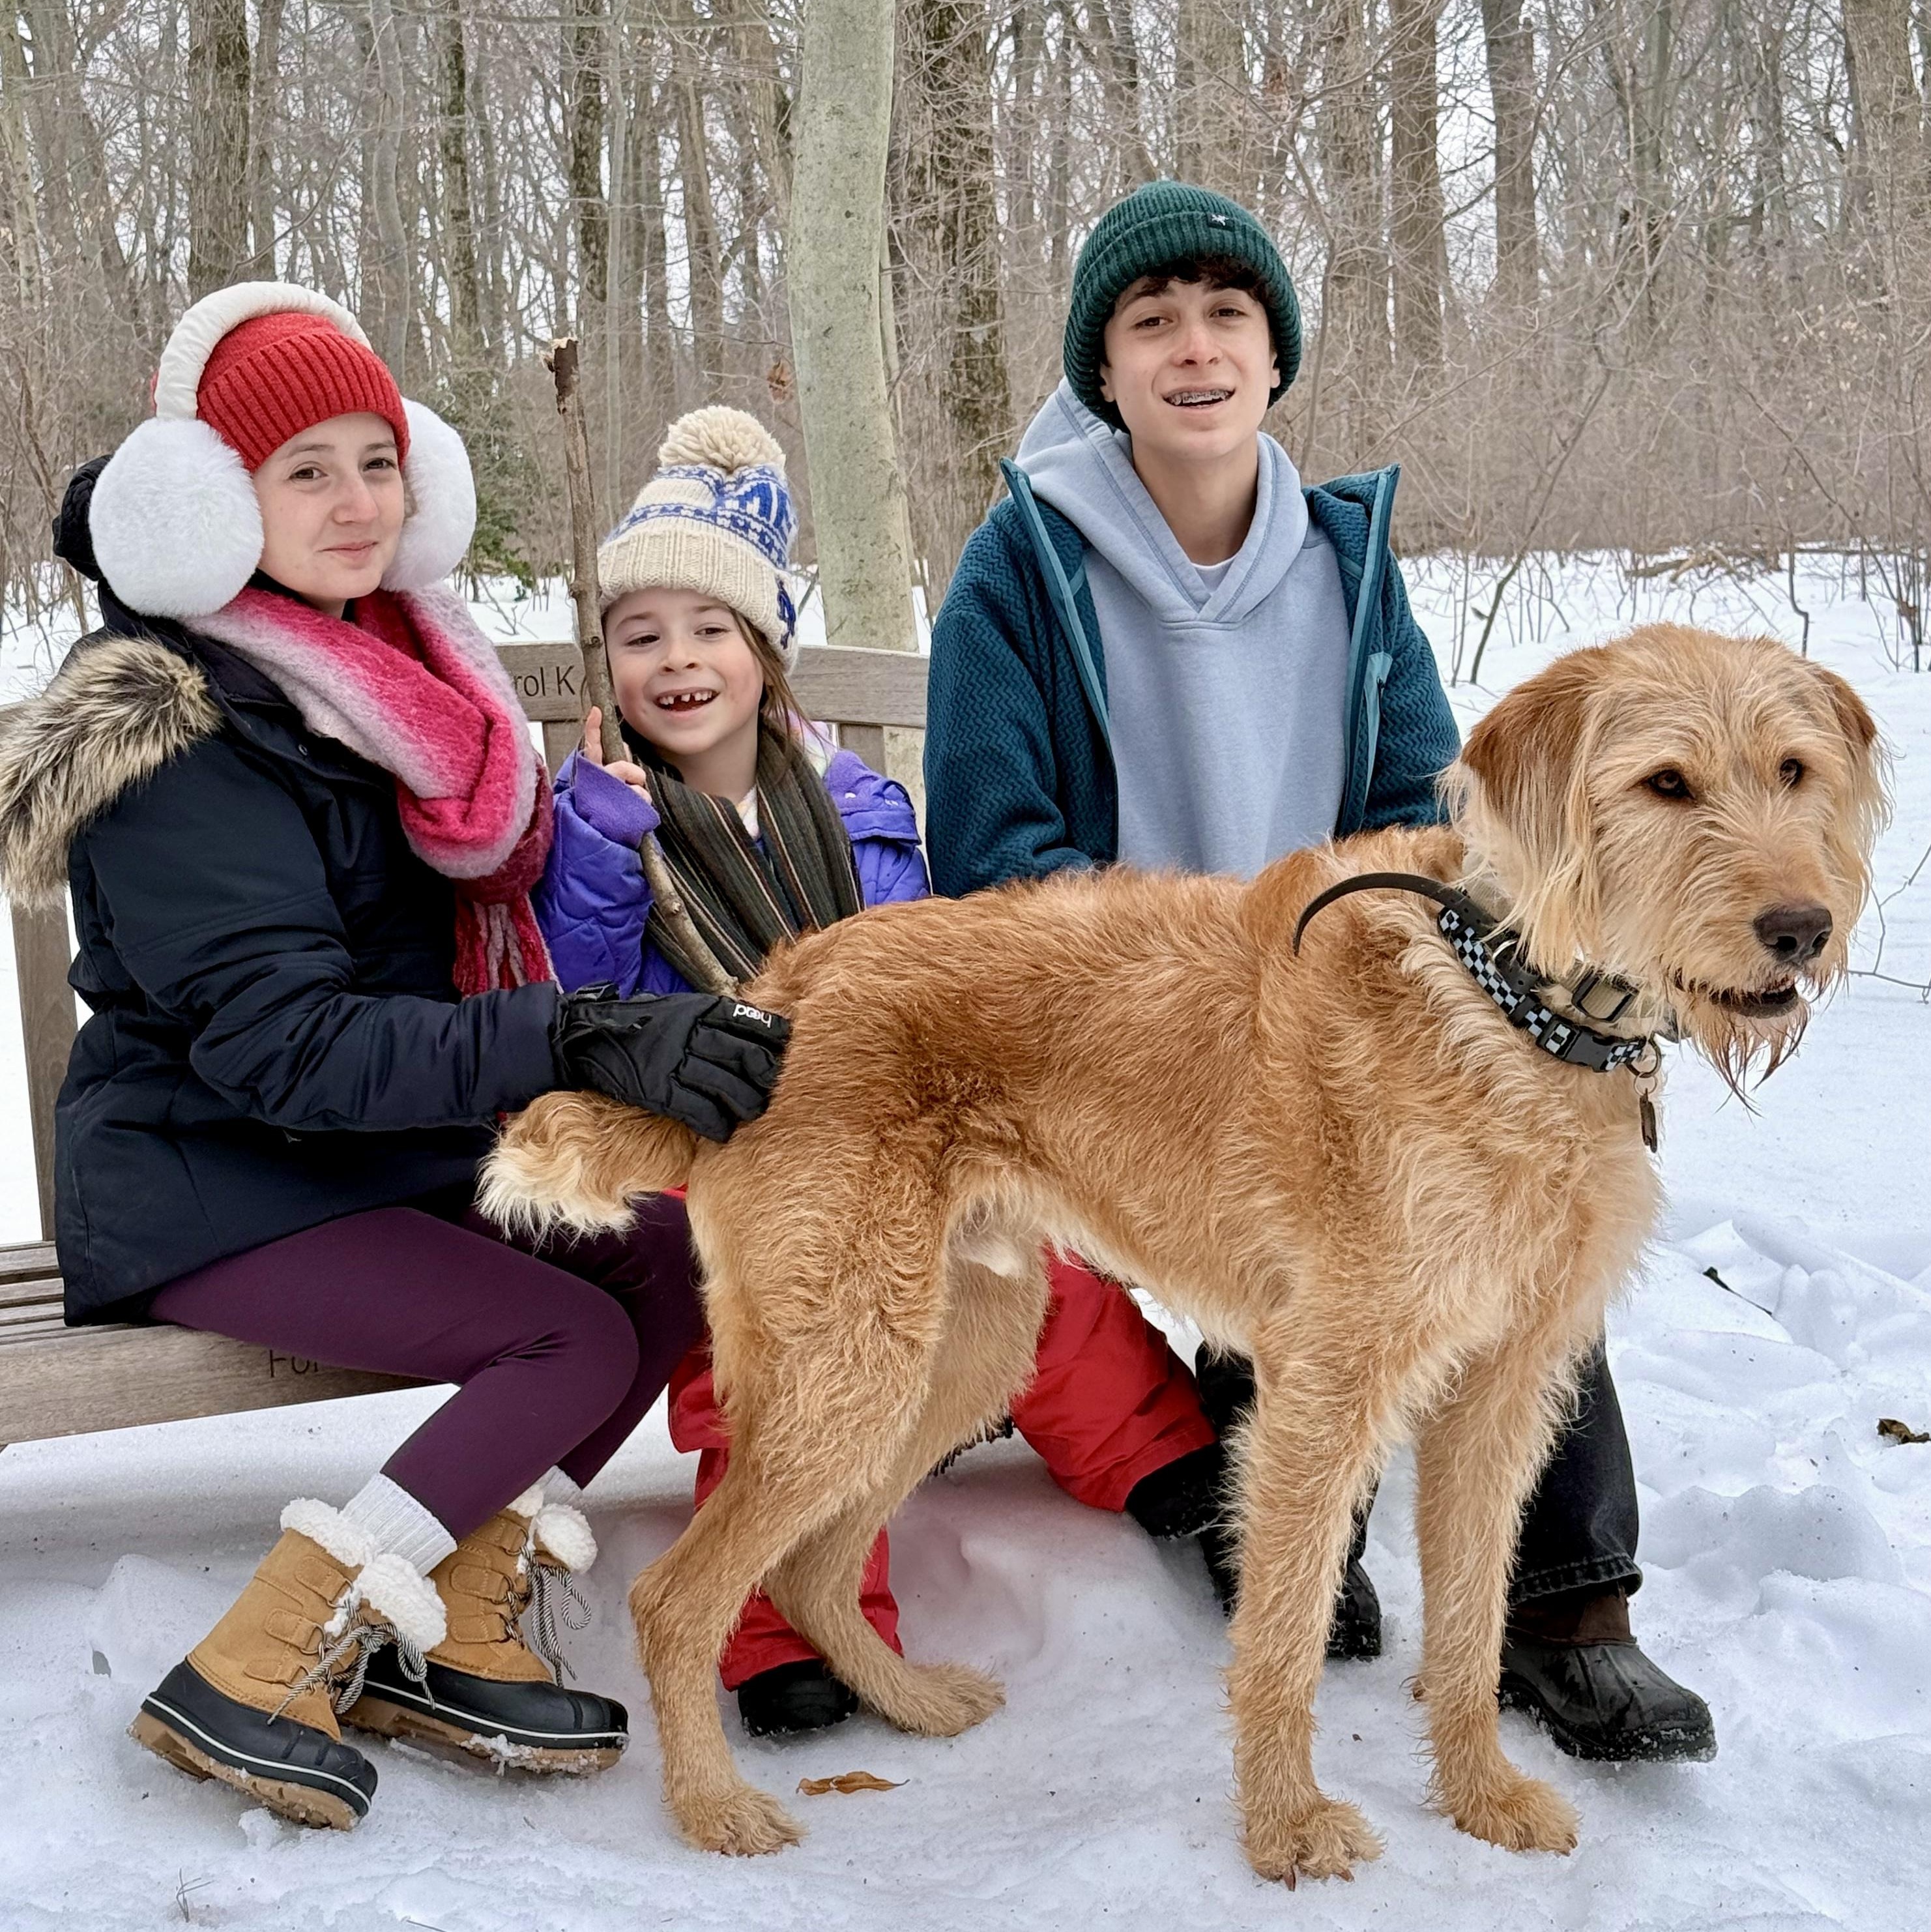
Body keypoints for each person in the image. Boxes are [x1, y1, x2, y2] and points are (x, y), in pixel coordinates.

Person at [924, 179, 1717, 1764]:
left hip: (1347, 984)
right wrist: (1213, 970)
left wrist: (1473, 1009)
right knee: (1294, 1259)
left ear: (1274, 358)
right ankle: (1289, 1523)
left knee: (1542, 1172)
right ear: (1106, 370)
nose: (1194, 347)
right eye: (1152, 322)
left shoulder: (1350, 556)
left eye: (1228, 316)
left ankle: (1572, 1609)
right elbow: (998, 850)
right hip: (1140, 1008)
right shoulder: (1019, 566)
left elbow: (1434, 805)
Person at [0, 285, 789, 1832]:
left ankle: (452, 1621)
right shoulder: (179, 730)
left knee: (664, 1260)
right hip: (209, 1175)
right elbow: (286, 1047)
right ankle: (258, 1663)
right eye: (306, 471)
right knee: (560, 1333)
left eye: (378, 458)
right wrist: (580, 1037)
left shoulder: (393, 675)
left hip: (354, 1150)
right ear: (218, 502)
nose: (358, 501)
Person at [533, 405, 1227, 1740]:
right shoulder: (602, 823)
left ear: (765, 654)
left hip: (895, 1124)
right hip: (715, 1134)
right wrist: (603, 864)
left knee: (1045, 1274)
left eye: (709, 630)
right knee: (767, 1340)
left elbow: (929, 976)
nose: (676, 660)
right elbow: (577, 1003)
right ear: (609, 668)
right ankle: (787, 1620)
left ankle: (1172, 1473)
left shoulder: (858, 809)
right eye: (641, 637)